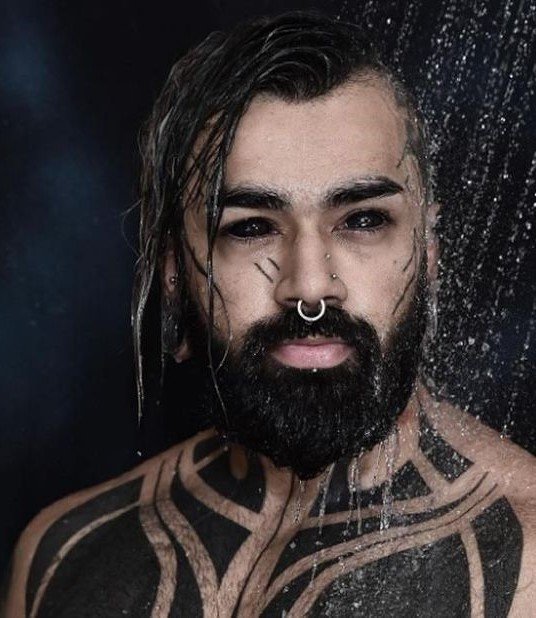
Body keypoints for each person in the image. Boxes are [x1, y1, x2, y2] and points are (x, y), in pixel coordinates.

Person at [4, 11, 536, 617]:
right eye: (251, 228)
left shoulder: (528, 560)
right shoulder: (62, 558)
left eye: (363, 221)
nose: (308, 287)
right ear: (173, 271)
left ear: (429, 252)